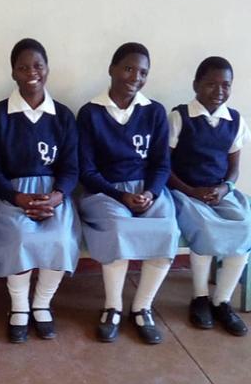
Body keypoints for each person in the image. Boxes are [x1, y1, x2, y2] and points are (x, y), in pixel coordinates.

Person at [78, 42, 179, 344]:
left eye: (143, 72)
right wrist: (119, 195)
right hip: (104, 192)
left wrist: (151, 192)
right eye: (129, 68)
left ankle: (142, 308)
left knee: (167, 230)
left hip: (146, 190)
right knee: (118, 230)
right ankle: (112, 307)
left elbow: (161, 164)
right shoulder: (90, 113)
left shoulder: (155, 112)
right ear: (112, 69)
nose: (136, 76)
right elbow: (87, 171)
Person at [0, 38, 80, 343]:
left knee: (60, 238)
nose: (31, 72)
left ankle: (42, 304)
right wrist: (17, 198)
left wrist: (58, 195)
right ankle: (20, 307)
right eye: (23, 67)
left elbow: (71, 167)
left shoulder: (63, 116)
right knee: (18, 237)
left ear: (48, 69)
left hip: (52, 193)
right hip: (10, 194)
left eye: (38, 65)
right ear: (13, 73)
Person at [169, 56, 251, 336]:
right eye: (210, 84)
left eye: (225, 85)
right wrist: (192, 191)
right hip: (185, 191)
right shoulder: (180, 117)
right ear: (196, 85)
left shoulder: (235, 120)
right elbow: (164, 167)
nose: (218, 90)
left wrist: (225, 188)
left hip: (219, 191)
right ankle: (200, 296)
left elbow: (234, 168)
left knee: (244, 225)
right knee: (204, 226)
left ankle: (222, 300)